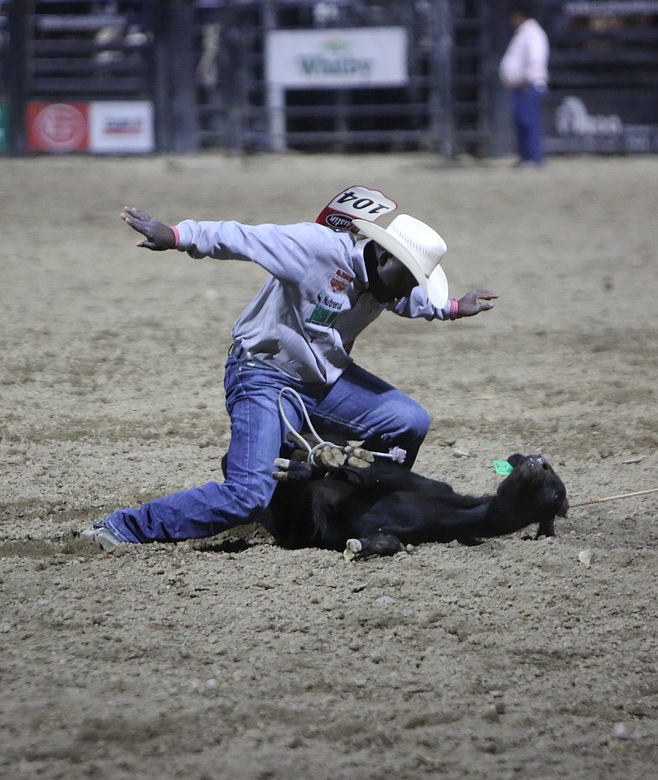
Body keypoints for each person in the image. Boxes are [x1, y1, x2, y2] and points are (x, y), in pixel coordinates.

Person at [79, 203, 498, 550]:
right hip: (262, 374)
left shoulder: (390, 284)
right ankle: (124, 527)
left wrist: (453, 308)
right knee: (246, 495)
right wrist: (177, 235)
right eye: (406, 280)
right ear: (384, 256)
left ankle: (342, 498)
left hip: (324, 382)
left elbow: (411, 300)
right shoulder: (316, 249)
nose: (407, 292)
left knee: (409, 423)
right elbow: (243, 236)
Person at [499, 1, 550, 167]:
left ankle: (535, 158)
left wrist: (526, 79)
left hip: (529, 85)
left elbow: (536, 59)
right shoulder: (523, 33)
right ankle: (525, 156)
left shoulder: (533, 33)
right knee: (521, 122)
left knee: (529, 122)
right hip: (521, 85)